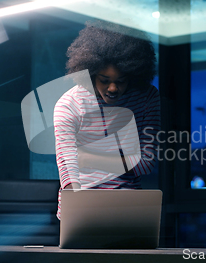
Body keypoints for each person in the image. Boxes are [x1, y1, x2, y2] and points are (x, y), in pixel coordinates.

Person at [54, 21, 160, 220]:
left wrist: (89, 158)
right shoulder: (69, 104)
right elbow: (68, 170)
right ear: (90, 73)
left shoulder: (146, 97)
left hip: (128, 207)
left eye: (121, 81)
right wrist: (76, 210)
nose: (113, 88)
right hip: (80, 207)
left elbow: (146, 164)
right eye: (104, 80)